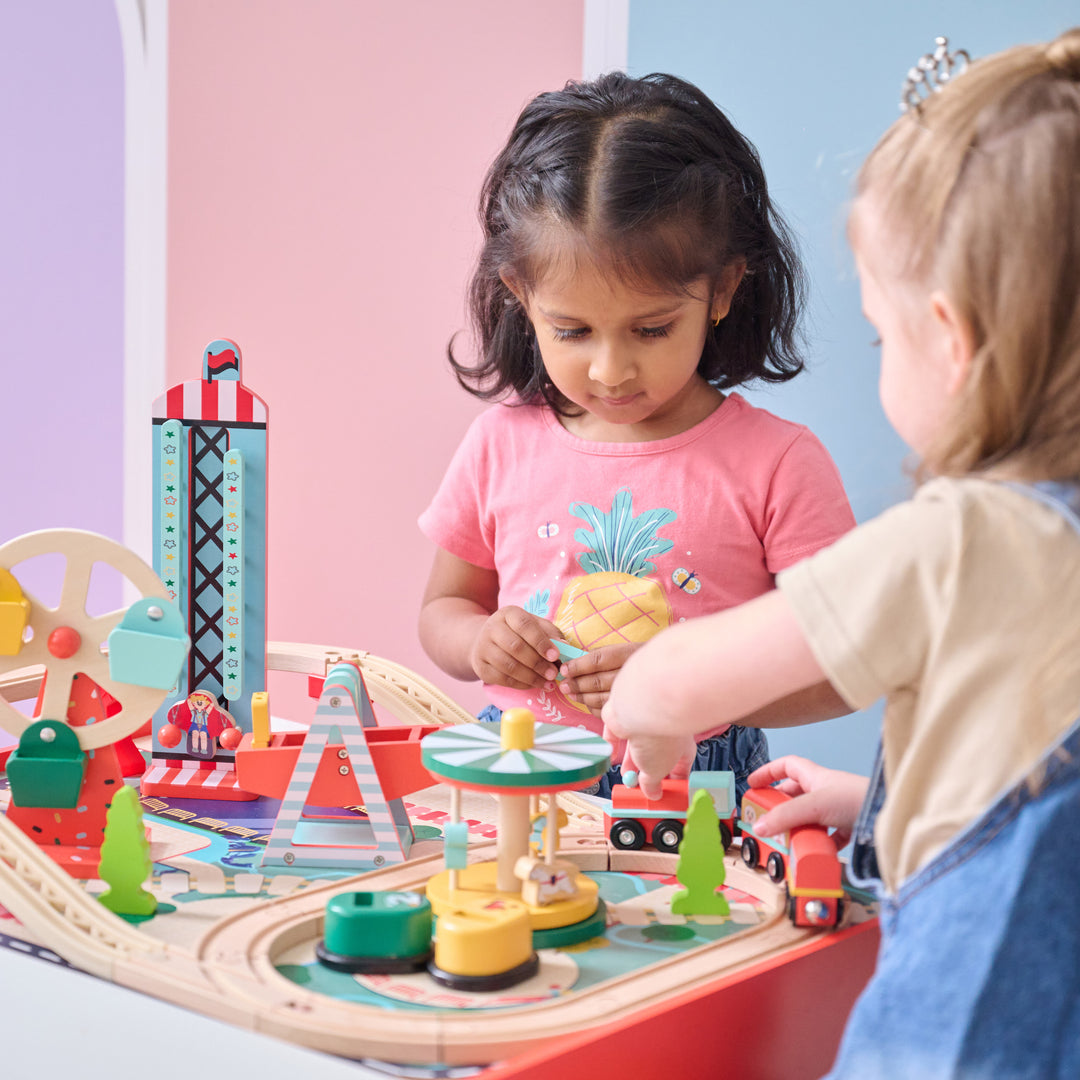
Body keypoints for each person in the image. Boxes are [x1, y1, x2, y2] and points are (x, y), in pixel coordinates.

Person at [603, 30, 1080, 1078]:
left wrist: (649, 721)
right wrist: (877, 807)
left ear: (950, 339)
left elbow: (669, 682)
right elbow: (1030, 799)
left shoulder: (962, 540)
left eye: (881, 334)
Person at [418, 72, 854, 797]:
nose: (612, 369)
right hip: (520, 769)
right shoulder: (500, 444)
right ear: (521, 296)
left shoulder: (777, 463)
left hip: (697, 780)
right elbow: (444, 611)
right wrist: (480, 642)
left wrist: (693, 689)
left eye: (652, 329)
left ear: (721, 290)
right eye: (573, 330)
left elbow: (842, 670)